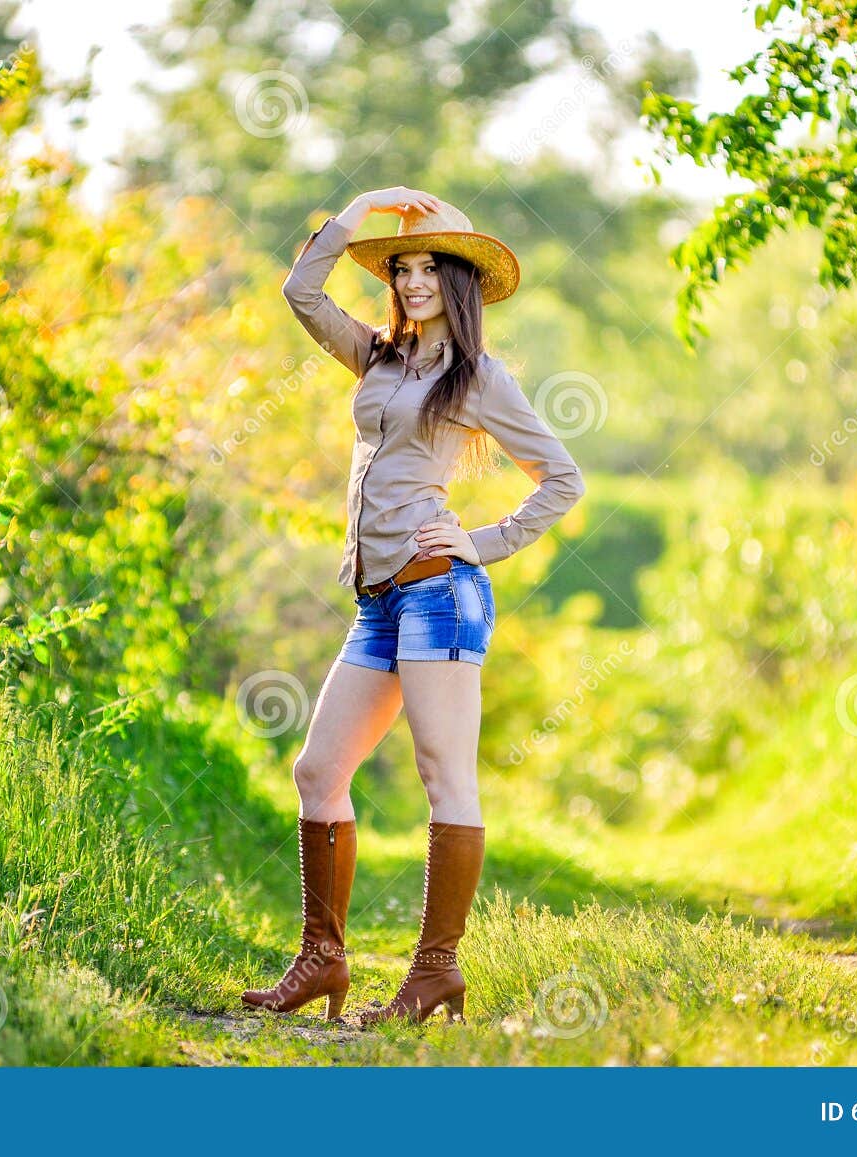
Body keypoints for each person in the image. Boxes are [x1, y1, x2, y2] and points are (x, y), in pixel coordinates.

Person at [241, 186, 586, 1025]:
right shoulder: (378, 357)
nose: (416, 280)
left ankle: (436, 972)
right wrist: (362, 210)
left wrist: (486, 539)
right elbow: (301, 294)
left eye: (432, 267)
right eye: (404, 268)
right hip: (378, 600)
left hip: (441, 590)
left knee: (443, 776)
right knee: (317, 770)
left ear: (459, 283)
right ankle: (322, 959)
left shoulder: (478, 377)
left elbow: (564, 478)